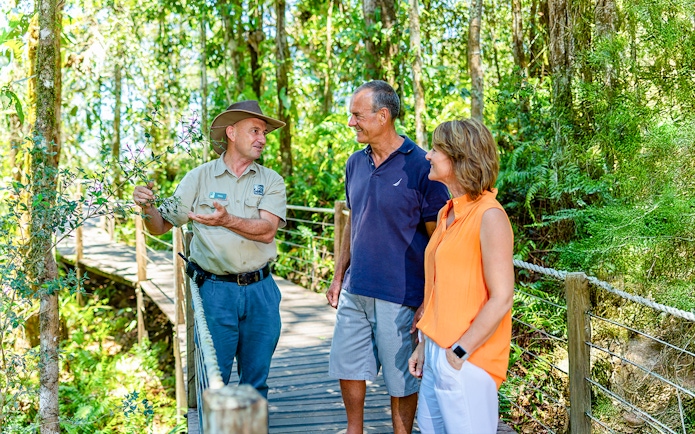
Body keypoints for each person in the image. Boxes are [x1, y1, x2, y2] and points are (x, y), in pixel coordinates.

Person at [132, 100, 287, 399]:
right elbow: (160, 225)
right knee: (213, 386)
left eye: (264, 133)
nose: (262, 139)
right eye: (255, 131)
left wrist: (226, 220)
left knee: (255, 386)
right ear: (231, 132)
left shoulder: (271, 180)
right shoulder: (198, 178)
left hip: (261, 292)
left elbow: (267, 231)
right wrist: (147, 206)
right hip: (216, 293)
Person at [326, 80, 450, 434]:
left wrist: (429, 299)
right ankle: (355, 430)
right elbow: (354, 221)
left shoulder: (422, 166)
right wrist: (338, 277)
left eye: (356, 115)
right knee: (347, 365)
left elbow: (437, 240)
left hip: (401, 293)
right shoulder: (355, 163)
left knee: (401, 381)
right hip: (356, 287)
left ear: (383, 116)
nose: (351, 122)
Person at [408, 118, 514, 433]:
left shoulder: (489, 215)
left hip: (467, 358)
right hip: (437, 353)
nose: (428, 155)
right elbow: (439, 290)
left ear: (459, 157)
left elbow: (502, 297)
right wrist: (424, 346)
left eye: (437, 149)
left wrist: (458, 353)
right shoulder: (446, 212)